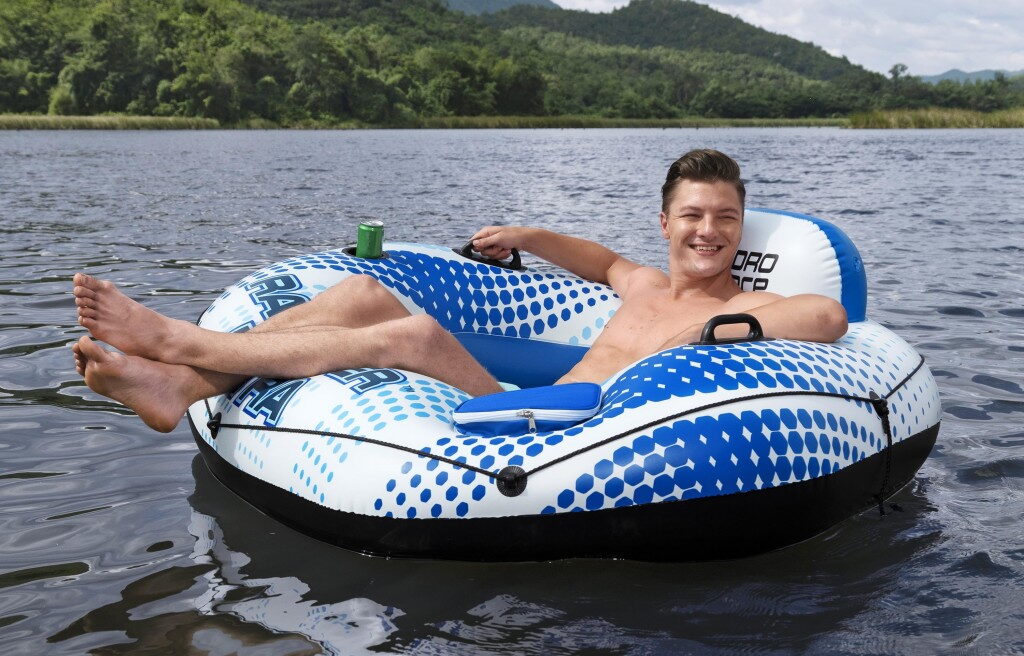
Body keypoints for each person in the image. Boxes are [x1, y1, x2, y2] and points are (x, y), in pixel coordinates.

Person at [71, 149, 847, 433]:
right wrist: (526, 235)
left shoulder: (737, 308)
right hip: (521, 402)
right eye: (693, 215)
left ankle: (180, 343)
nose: (709, 231)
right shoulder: (642, 283)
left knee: (414, 335)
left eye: (726, 218)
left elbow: (830, 314)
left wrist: (707, 332)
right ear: (666, 222)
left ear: (741, 227)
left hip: (572, 431)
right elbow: (601, 260)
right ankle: (180, 386)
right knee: (360, 291)